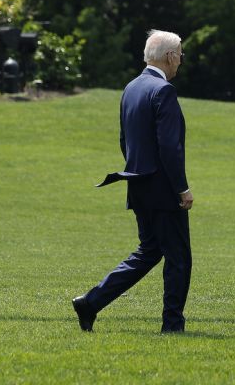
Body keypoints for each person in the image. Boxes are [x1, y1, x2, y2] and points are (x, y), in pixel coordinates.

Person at [72, 30, 193, 333]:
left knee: (149, 251)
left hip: (137, 184)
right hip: (164, 191)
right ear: (169, 56)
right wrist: (182, 187)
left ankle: (91, 302)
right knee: (178, 258)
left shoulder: (131, 88)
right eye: (180, 54)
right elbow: (169, 147)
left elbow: (125, 141)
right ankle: (172, 325)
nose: (181, 60)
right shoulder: (163, 91)